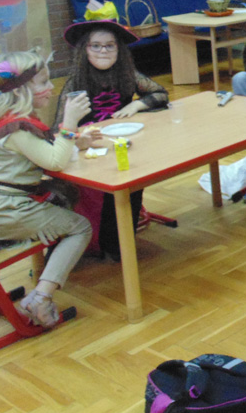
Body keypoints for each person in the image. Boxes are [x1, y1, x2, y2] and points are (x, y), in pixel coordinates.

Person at [0, 50, 97, 327]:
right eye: (43, 82)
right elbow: (54, 161)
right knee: (81, 227)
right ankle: (40, 297)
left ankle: (43, 241)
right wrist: (70, 122)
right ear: (21, 89)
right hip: (3, 211)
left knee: (64, 193)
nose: (51, 87)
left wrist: (76, 141)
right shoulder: (18, 128)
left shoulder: (3, 115)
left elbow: (40, 151)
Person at [54, 20, 168, 260]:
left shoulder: (127, 74)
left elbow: (160, 93)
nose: (103, 51)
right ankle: (103, 242)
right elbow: (59, 129)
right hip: (90, 152)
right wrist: (78, 137)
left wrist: (136, 104)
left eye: (109, 45)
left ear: (119, 49)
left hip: (121, 145)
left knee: (135, 176)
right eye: (95, 46)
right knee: (107, 187)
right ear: (85, 50)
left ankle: (120, 242)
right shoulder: (76, 82)